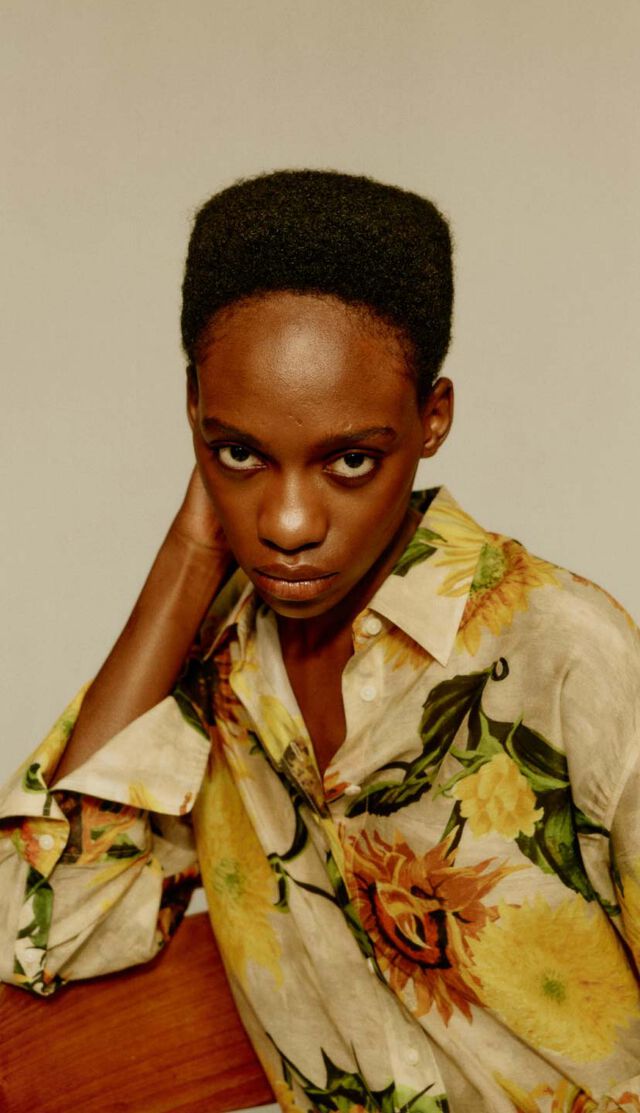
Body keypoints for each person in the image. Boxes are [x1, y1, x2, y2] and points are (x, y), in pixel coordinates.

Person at [1, 170, 639, 1113]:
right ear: (193, 413)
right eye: (240, 453)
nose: (289, 523)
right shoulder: (215, 670)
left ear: (433, 418)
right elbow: (34, 922)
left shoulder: (565, 655)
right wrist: (189, 553)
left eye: (350, 460)